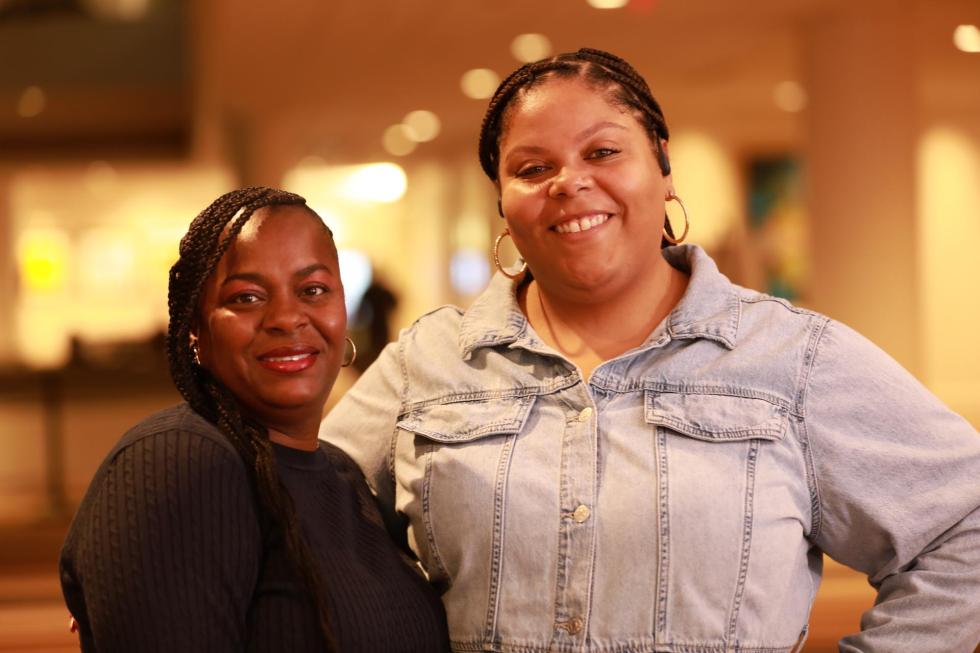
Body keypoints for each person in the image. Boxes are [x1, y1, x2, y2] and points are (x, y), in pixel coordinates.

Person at [320, 49, 980, 652]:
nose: (568, 182)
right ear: (503, 202)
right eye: (532, 168)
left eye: (602, 152)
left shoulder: (791, 358)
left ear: (663, 167)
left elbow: (964, 525)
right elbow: (296, 525)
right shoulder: (429, 363)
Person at [60, 187, 450, 652]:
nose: (286, 317)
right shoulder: (175, 461)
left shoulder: (345, 476)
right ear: (194, 328)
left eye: (313, 290)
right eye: (246, 297)